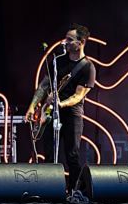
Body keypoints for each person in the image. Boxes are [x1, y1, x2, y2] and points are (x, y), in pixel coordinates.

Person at [25, 23, 96, 190]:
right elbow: (43, 86)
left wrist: (60, 104)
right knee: (49, 153)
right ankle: (49, 190)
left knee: (72, 155)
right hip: (51, 113)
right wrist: (31, 107)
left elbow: (78, 96)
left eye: (70, 40)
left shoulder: (88, 67)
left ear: (82, 42)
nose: (65, 42)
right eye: (66, 39)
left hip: (72, 114)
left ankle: (74, 192)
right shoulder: (57, 62)